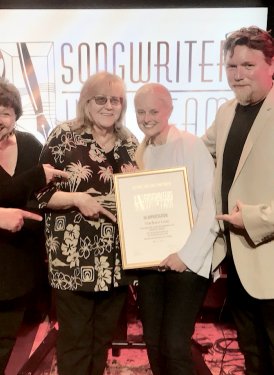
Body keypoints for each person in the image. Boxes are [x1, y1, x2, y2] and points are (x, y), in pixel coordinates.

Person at [37, 71, 139, 375]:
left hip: (116, 262)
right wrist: (77, 199)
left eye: (116, 100)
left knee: (101, 341)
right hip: (72, 260)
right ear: (86, 102)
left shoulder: (130, 142)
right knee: (75, 342)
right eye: (101, 99)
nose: (109, 106)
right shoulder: (62, 136)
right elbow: (40, 194)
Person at [202, 26, 274, 375]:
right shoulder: (226, 111)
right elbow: (199, 154)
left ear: (271, 65)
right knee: (252, 352)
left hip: (269, 256)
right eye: (231, 66)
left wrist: (256, 219)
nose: (237, 74)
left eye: (248, 65)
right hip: (237, 257)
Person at [134, 83, 217, 375]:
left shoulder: (191, 146)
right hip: (151, 264)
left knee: (174, 344)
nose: (146, 118)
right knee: (154, 344)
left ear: (169, 109)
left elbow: (210, 207)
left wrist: (186, 255)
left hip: (187, 263)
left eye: (153, 111)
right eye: (140, 112)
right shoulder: (139, 153)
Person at [0, 78, 67, 374]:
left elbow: (42, 198)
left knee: (5, 342)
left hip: (19, 269)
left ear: (15, 115)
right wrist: (34, 178)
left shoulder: (30, 146)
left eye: (4, 112)